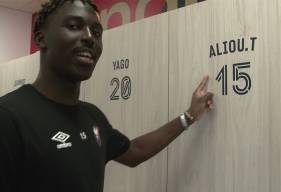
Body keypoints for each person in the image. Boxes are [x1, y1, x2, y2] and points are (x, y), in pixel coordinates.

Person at [0, 0, 214, 191]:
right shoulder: (9, 116)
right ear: (41, 39)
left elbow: (135, 151)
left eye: (97, 32)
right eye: (74, 27)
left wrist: (189, 116)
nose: (89, 38)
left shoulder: (92, 117)